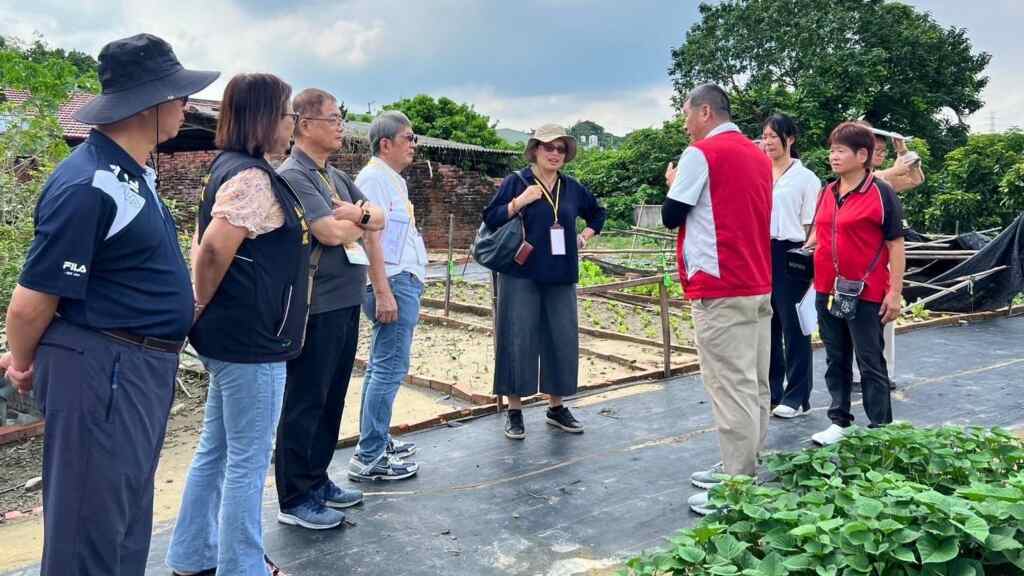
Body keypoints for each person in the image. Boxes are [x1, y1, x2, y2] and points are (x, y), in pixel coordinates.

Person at [0, 33, 216, 574]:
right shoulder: (89, 182)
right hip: (104, 368)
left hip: (135, 368)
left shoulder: (131, 175)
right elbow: (31, 302)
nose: (187, 105)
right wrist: (21, 362)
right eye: (180, 94)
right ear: (151, 101)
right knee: (89, 532)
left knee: (122, 520)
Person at [166, 73, 307, 576]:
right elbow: (210, 251)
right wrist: (199, 302)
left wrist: (200, 310)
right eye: (288, 114)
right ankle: (242, 565)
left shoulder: (229, 169)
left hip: (233, 338)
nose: (292, 124)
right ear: (266, 118)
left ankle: (191, 554)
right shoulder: (251, 179)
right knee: (248, 459)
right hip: (251, 342)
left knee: (218, 448)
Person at [274, 88, 385, 530]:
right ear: (305, 125)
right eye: (334, 119)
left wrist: (356, 216)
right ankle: (294, 496)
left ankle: (318, 480)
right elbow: (327, 232)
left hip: (344, 299)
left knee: (332, 395)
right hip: (314, 304)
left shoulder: (335, 176)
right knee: (305, 399)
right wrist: (356, 220)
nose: (342, 126)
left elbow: (379, 216)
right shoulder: (294, 174)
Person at [661, 84, 773, 515]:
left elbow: (674, 214)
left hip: (720, 284)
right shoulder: (757, 155)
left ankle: (737, 484)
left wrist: (673, 183)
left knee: (730, 385)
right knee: (755, 382)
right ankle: (743, 460)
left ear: (705, 111)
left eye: (687, 113)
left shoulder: (701, 155)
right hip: (757, 280)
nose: (685, 122)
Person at [481, 124, 606, 439]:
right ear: (535, 149)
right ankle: (514, 410)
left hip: (561, 274)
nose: (554, 153)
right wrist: (519, 202)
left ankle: (556, 407)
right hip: (520, 273)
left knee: (560, 340)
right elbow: (491, 217)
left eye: (560, 148)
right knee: (516, 338)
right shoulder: (517, 182)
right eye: (548, 147)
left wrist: (584, 236)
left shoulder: (573, 187)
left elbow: (597, 214)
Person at [806, 122, 906, 447]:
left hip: (865, 292)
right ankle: (839, 421)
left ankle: (881, 427)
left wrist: (894, 292)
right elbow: (820, 233)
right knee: (836, 358)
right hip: (827, 289)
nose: (833, 156)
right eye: (832, 149)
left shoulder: (881, 192)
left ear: (862, 155)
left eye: (840, 150)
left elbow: (896, 244)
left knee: (870, 360)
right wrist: (806, 249)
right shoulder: (827, 191)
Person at [347, 111, 427, 481]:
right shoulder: (375, 179)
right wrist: (382, 291)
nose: (414, 145)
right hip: (391, 282)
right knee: (388, 368)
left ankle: (375, 440)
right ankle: (370, 455)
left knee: (384, 367)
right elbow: (370, 238)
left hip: (399, 279)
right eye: (409, 138)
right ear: (386, 143)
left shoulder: (392, 181)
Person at [850, 129, 925, 388]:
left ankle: (883, 371)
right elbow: (874, 179)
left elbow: (916, 179)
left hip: (884, 257)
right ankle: (856, 371)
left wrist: (903, 152)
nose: (880, 155)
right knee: (852, 315)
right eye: (876, 151)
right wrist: (896, 168)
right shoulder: (856, 179)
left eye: (883, 151)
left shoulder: (886, 180)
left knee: (884, 316)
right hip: (857, 258)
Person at [761, 114, 821, 419]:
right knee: (767, 325)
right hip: (761, 251)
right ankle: (772, 390)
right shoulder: (759, 172)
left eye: (774, 136)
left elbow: (813, 226)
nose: (768, 142)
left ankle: (798, 395)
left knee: (794, 326)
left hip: (792, 252)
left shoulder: (806, 179)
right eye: (765, 136)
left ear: (790, 139)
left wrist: (807, 257)